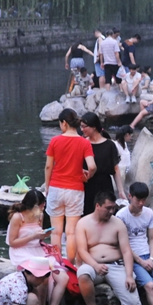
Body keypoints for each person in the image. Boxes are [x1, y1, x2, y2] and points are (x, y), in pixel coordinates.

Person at [75, 191, 153, 305]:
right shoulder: (83, 223)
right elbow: (81, 251)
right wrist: (95, 265)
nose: (112, 211)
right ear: (97, 206)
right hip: (93, 265)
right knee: (83, 273)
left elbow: (126, 251)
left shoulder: (118, 224)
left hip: (116, 266)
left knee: (133, 300)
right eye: (108, 208)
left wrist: (128, 274)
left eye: (113, 208)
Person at [6, 188, 70, 305]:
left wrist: (44, 235)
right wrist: (33, 237)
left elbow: (38, 236)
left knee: (63, 278)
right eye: (41, 205)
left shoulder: (39, 215)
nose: (43, 207)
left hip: (37, 250)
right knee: (43, 277)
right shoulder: (18, 217)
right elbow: (12, 242)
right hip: (21, 251)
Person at [45, 109, 96, 262]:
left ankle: (57, 263)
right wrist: (87, 176)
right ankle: (70, 264)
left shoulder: (55, 141)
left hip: (56, 187)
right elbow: (92, 166)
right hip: (75, 189)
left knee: (56, 232)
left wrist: (47, 187)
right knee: (72, 232)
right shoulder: (84, 142)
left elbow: (48, 166)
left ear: (64, 123)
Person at [80, 112, 124, 214]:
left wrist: (120, 190)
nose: (81, 129)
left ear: (94, 127)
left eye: (84, 127)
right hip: (87, 184)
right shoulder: (83, 143)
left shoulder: (109, 145)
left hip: (104, 185)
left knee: (106, 213)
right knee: (88, 213)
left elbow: (115, 169)